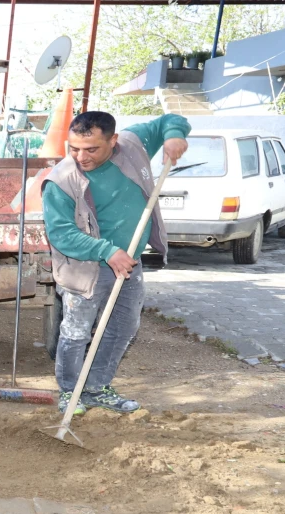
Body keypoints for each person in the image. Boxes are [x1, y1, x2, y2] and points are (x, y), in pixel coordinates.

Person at [42, 111, 190, 415]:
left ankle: (96, 387)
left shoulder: (134, 145)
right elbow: (61, 234)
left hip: (129, 263)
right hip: (86, 267)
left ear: (113, 140)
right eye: (74, 148)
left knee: (123, 327)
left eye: (91, 149)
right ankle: (71, 393)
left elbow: (169, 120)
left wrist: (174, 134)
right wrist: (107, 251)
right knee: (77, 331)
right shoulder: (61, 180)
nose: (81, 157)